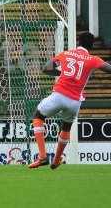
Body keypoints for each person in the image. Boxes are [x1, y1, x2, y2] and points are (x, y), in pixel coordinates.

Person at [29, 32, 111, 169]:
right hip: (74, 102)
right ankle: (56, 160)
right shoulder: (92, 59)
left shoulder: (65, 54)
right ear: (91, 45)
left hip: (59, 95)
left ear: (78, 42)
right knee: (66, 126)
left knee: (38, 116)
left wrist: (63, 73)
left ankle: (42, 156)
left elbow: (46, 68)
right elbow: (108, 69)